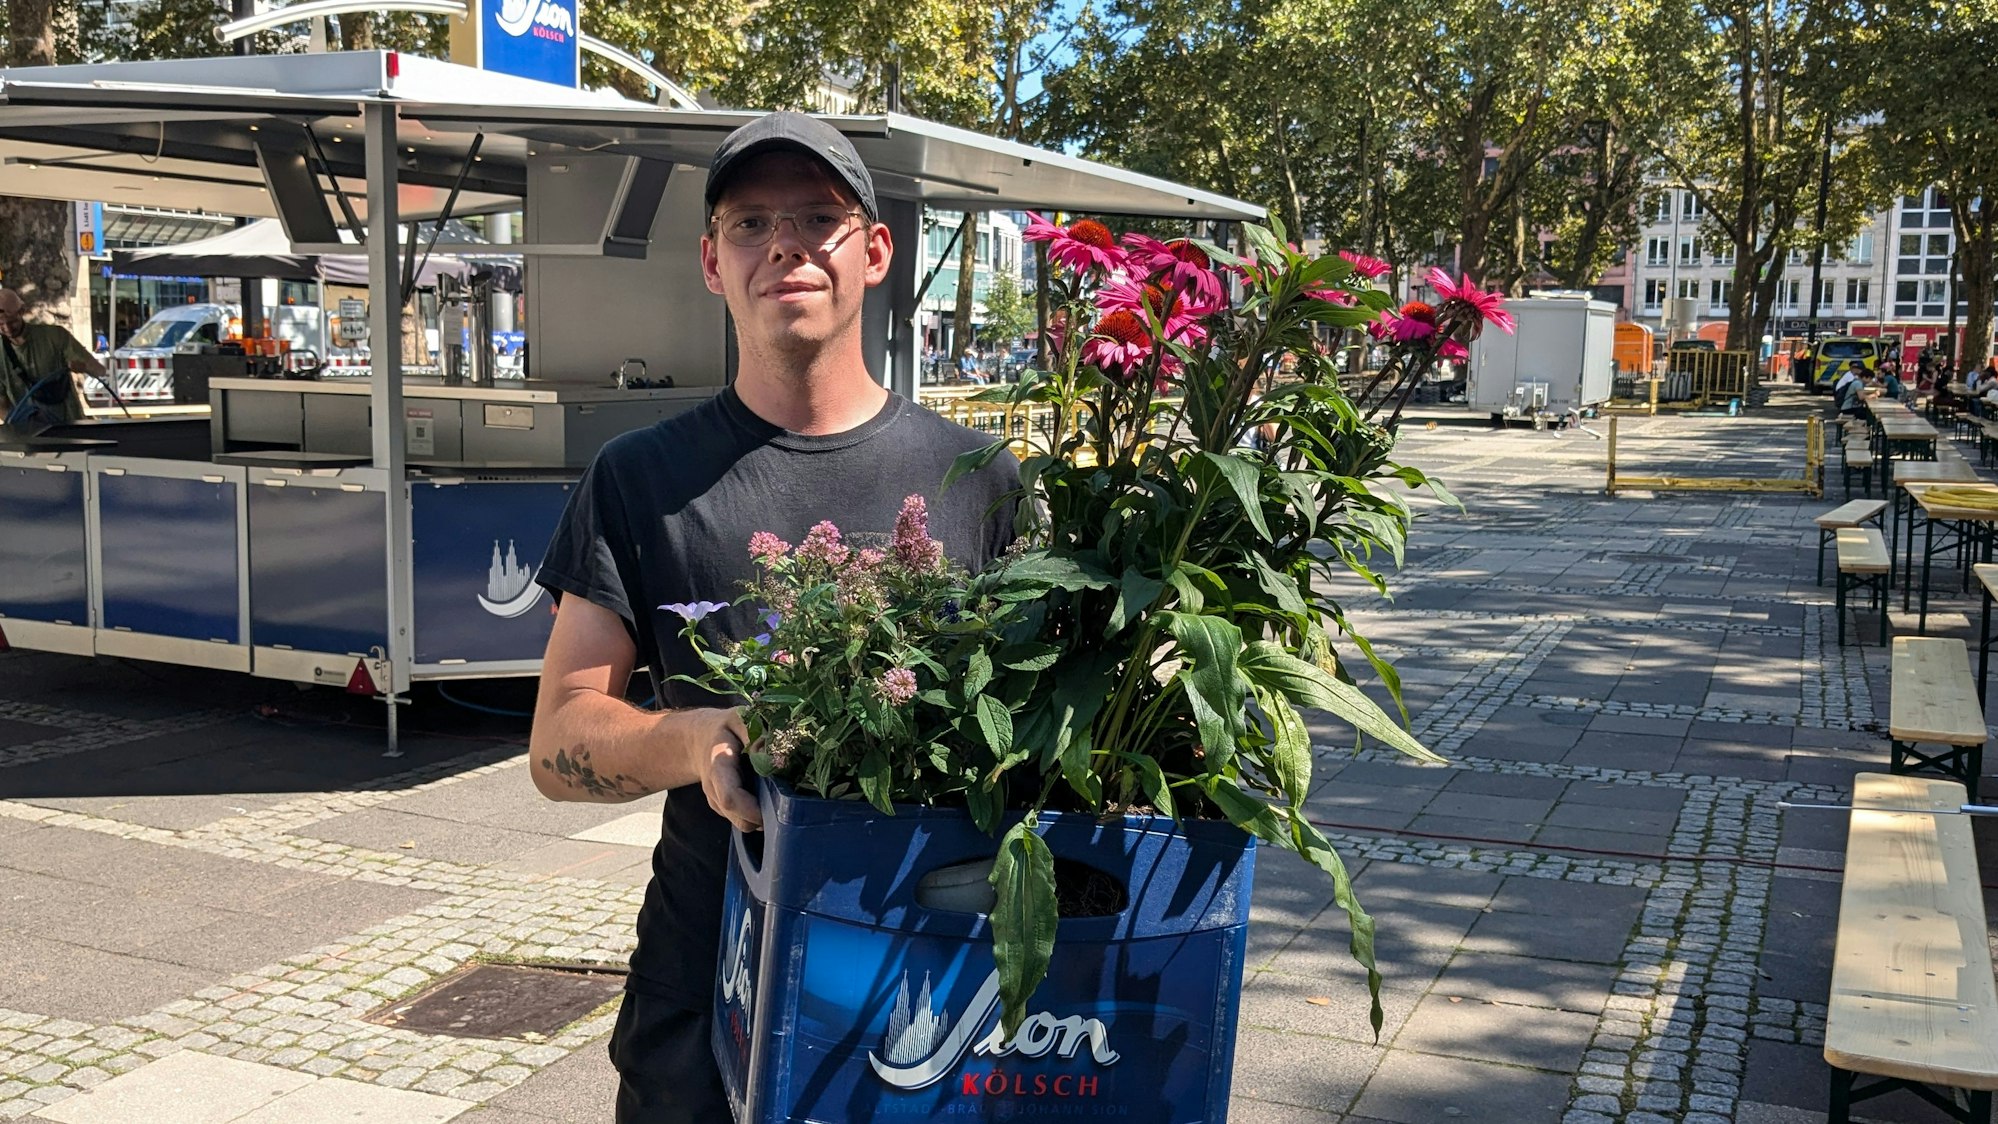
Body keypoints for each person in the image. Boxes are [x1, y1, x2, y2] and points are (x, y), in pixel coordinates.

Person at [526, 112, 1019, 1123]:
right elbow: (558, 740)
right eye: (751, 222)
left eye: (818, 218)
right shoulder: (639, 477)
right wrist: (708, 736)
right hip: (706, 979)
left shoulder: (982, 480)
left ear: (876, 251)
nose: (784, 244)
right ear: (711, 261)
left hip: (927, 977)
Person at [0, 288, 107, 428]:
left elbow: (100, 370)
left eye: (12, 321)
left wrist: (83, 366)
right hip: (28, 437)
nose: (7, 328)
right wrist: (24, 422)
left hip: (69, 427)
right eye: (1, 324)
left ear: (22, 311)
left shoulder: (55, 336)